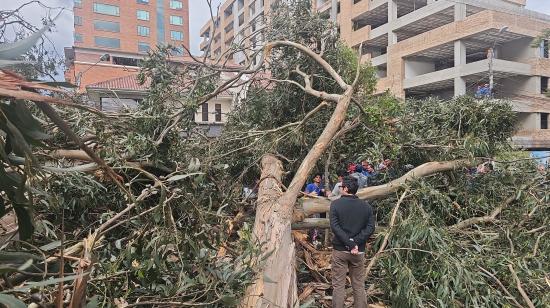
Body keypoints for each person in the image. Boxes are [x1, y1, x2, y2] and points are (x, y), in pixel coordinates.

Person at [330, 176, 375, 308]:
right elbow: (370, 228)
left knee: (338, 285)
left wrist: (349, 243)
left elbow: (335, 227)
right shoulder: (366, 206)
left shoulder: (336, 204)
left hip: (340, 251)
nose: (339, 188)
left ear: (345, 188)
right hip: (358, 251)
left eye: (340, 186)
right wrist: (355, 242)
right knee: (359, 285)